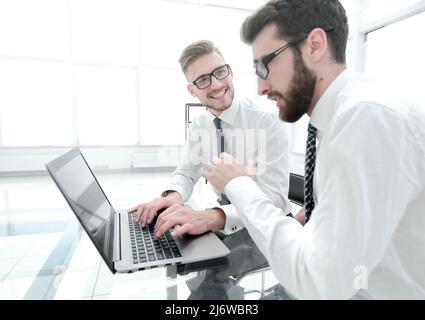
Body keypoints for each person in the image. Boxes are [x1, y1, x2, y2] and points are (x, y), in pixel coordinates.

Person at [203, 0, 425, 299]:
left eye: (264, 66)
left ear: (315, 45)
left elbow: (319, 281)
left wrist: (238, 183)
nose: (260, 87)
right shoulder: (339, 120)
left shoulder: (366, 119)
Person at [130, 40, 293, 239]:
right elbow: (186, 172)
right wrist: (173, 197)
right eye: (203, 80)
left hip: (270, 228)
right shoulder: (199, 124)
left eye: (220, 72)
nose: (216, 84)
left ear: (230, 72)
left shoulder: (267, 121)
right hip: (225, 221)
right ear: (192, 90)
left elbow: (274, 198)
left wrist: (212, 217)